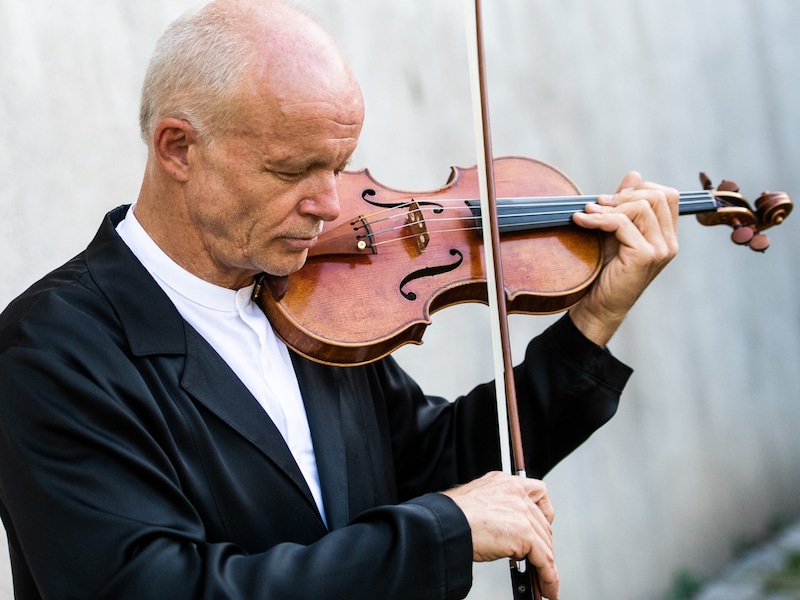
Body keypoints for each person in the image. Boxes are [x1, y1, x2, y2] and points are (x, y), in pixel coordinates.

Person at [0, 1, 679, 599]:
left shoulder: (315, 302)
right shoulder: (52, 351)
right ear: (178, 148)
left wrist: (592, 322)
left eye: (338, 163)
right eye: (293, 170)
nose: (329, 205)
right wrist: (440, 533)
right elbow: (155, 586)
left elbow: (432, 465)